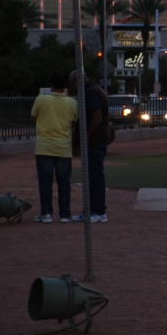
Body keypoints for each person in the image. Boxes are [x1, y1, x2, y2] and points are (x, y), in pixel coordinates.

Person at [30, 72, 78, 222]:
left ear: (51, 85)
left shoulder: (41, 99)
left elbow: (33, 117)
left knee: (45, 181)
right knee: (64, 182)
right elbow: (74, 121)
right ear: (65, 86)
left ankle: (46, 213)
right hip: (63, 147)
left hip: (44, 146)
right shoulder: (72, 102)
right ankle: (64, 214)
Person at [68, 72, 109, 223]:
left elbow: (97, 118)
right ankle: (91, 210)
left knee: (95, 176)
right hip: (97, 140)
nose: (70, 86)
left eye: (71, 83)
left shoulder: (91, 93)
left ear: (77, 81)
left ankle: (99, 211)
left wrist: (85, 137)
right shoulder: (94, 90)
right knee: (91, 176)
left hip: (95, 142)